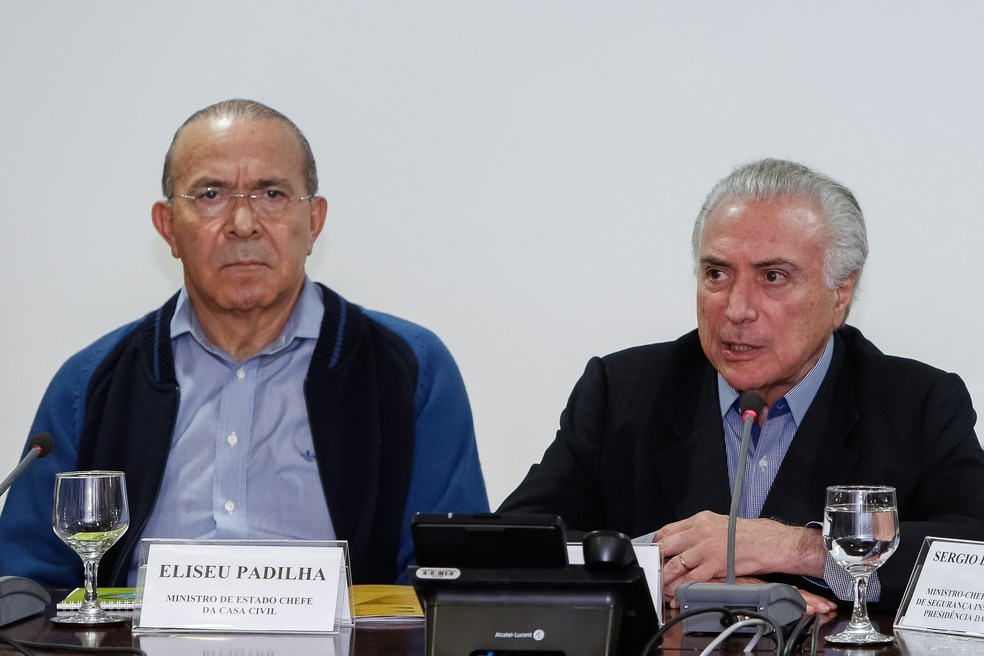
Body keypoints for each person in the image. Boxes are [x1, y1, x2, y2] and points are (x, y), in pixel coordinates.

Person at [0, 99, 488, 588]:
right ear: (167, 226)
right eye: (210, 194)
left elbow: (449, 578)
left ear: (314, 221)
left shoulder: (406, 369)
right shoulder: (93, 383)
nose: (242, 224)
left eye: (272, 194)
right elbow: (26, 582)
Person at [498, 158, 984, 613]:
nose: (736, 309)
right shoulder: (623, 392)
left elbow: (973, 556)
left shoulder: (916, 404)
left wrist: (798, 550)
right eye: (717, 274)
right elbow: (514, 543)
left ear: (841, 292)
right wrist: (669, 571)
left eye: (773, 276)